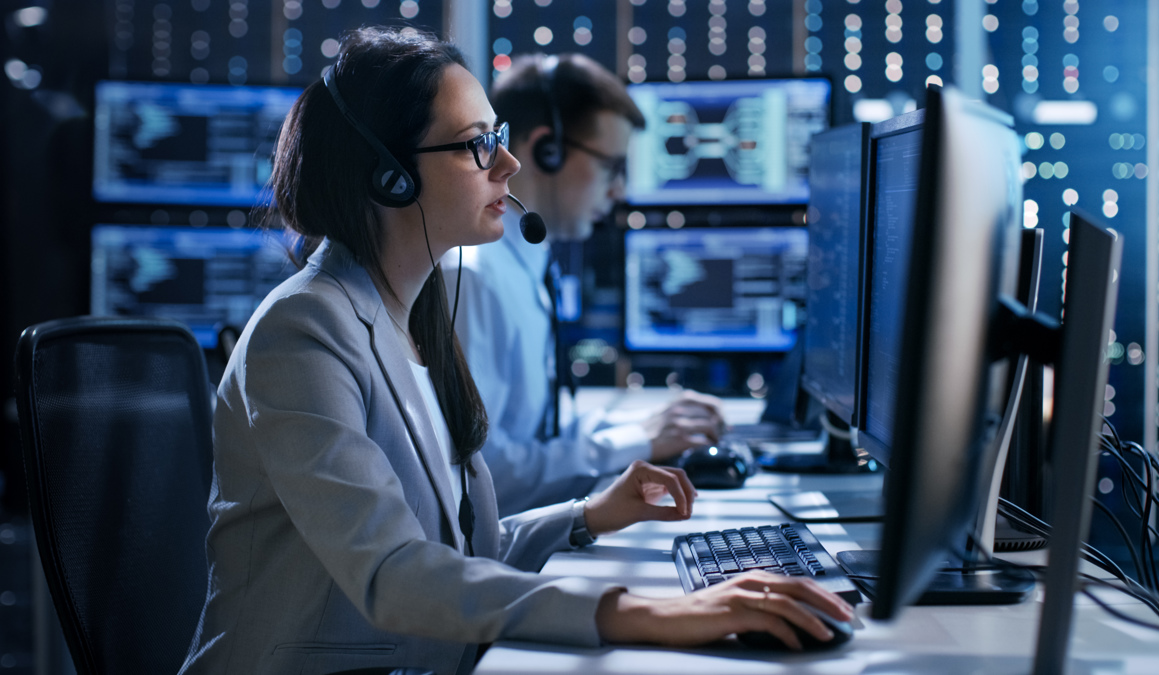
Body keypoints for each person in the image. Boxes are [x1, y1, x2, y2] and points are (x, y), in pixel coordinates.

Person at [178, 27, 854, 675]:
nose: (509, 163)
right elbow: (392, 572)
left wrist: (588, 515)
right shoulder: (303, 331)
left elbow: (460, 549)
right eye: (477, 146)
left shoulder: (414, 313)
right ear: (390, 176)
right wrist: (644, 612)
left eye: (498, 138)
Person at [448, 52, 726, 517]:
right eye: (611, 167)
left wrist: (645, 427)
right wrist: (638, 440)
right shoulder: (473, 279)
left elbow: (539, 430)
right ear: (546, 151)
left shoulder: (527, 264)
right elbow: (484, 476)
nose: (619, 191)